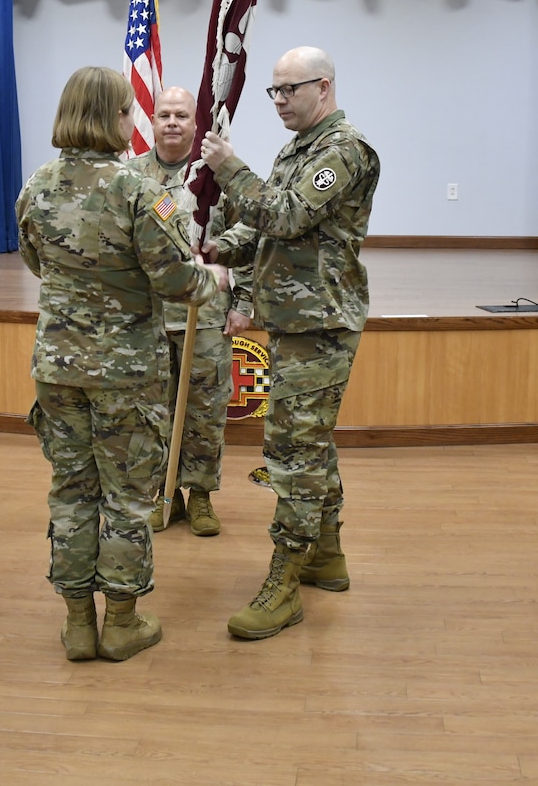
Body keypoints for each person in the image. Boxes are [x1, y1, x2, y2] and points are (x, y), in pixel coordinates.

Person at [17, 67, 230, 663]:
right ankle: (121, 622)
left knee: (72, 490)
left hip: (57, 369)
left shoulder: (37, 185)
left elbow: (35, 259)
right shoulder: (139, 190)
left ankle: (78, 623)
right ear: (111, 116)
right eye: (125, 112)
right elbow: (173, 278)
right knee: (127, 496)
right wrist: (210, 279)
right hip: (125, 374)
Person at [199, 46, 380, 640]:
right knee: (310, 441)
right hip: (295, 320)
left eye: (287, 90)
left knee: (292, 452)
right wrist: (207, 247)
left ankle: (285, 581)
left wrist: (229, 168)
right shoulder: (298, 149)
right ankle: (326, 555)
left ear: (322, 87)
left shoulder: (343, 150)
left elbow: (288, 213)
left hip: (321, 323)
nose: (277, 101)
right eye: (272, 92)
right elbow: (257, 229)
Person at [126, 87, 254, 537]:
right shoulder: (132, 176)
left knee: (205, 408)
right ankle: (166, 494)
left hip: (207, 314)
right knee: (154, 410)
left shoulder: (214, 175)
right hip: (152, 317)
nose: (173, 122)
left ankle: (199, 495)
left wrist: (245, 303)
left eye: (182, 115)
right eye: (165, 115)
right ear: (153, 121)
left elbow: (251, 236)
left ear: (195, 124)